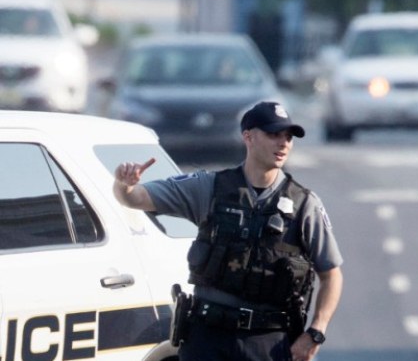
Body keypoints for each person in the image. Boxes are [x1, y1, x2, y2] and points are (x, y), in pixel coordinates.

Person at [113, 101, 343, 361]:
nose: (283, 144)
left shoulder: (304, 204)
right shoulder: (210, 187)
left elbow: (332, 274)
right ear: (248, 137)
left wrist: (315, 333)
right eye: (273, 134)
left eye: (288, 137)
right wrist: (124, 185)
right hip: (207, 337)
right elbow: (134, 198)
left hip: (269, 342)